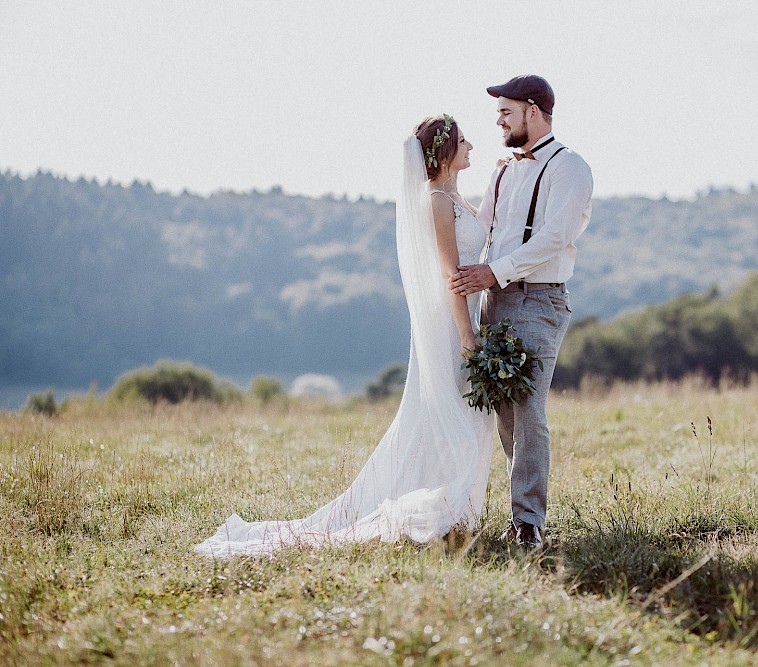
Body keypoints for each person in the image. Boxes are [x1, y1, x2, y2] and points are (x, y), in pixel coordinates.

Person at [195, 115, 493, 556]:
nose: (473, 147)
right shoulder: (435, 201)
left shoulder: (456, 197)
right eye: (465, 141)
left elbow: (481, 231)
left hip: (467, 313)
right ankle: (440, 510)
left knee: (467, 413)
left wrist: (507, 173)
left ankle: (453, 510)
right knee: (457, 413)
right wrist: (467, 335)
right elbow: (451, 274)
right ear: (446, 151)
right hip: (451, 321)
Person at [450, 75, 593, 548]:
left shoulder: (570, 167)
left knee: (529, 411)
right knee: (506, 413)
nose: (498, 120)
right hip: (496, 301)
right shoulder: (502, 170)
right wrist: (439, 193)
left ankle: (529, 523)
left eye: (505, 112)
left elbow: (556, 236)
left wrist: (495, 272)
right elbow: (482, 228)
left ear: (533, 111)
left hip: (539, 297)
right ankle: (520, 515)